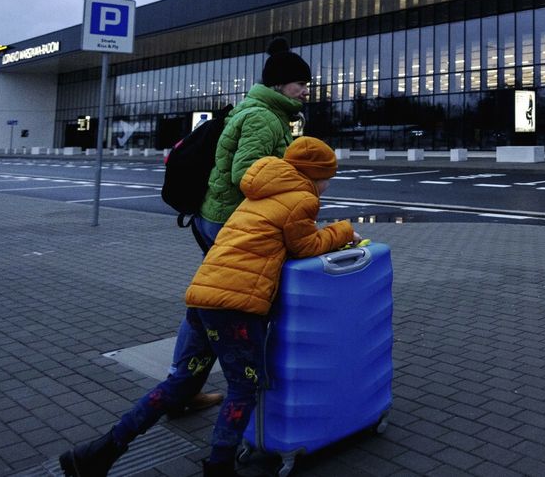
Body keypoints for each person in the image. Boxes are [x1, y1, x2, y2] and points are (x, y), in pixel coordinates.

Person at [59, 136, 361, 477]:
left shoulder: (259, 192)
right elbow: (306, 245)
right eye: (327, 178)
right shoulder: (301, 198)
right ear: (314, 174)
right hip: (236, 308)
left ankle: (99, 453)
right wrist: (343, 231)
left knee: (182, 384)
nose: (327, 185)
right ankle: (218, 468)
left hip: (205, 297)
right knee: (244, 387)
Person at [172, 36, 313, 415]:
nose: (305, 91)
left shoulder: (268, 113)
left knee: (210, 303)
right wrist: (295, 182)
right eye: (301, 84)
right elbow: (244, 174)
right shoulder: (264, 117)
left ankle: (182, 387)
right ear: (281, 84)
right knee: (223, 305)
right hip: (226, 221)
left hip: (222, 218)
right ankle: (208, 386)